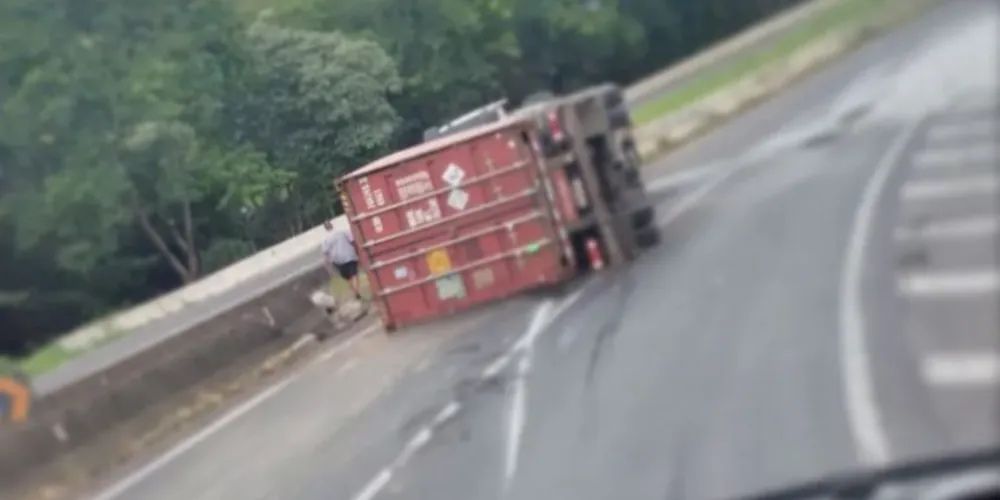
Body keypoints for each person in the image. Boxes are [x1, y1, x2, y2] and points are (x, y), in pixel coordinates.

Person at [320, 220, 363, 301]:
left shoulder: (325, 239)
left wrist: (327, 265)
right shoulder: (343, 232)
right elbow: (353, 242)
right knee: (354, 275)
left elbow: (325, 253)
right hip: (349, 255)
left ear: (325, 228)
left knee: (348, 278)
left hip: (338, 261)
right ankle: (357, 292)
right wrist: (358, 252)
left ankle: (355, 292)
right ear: (332, 225)